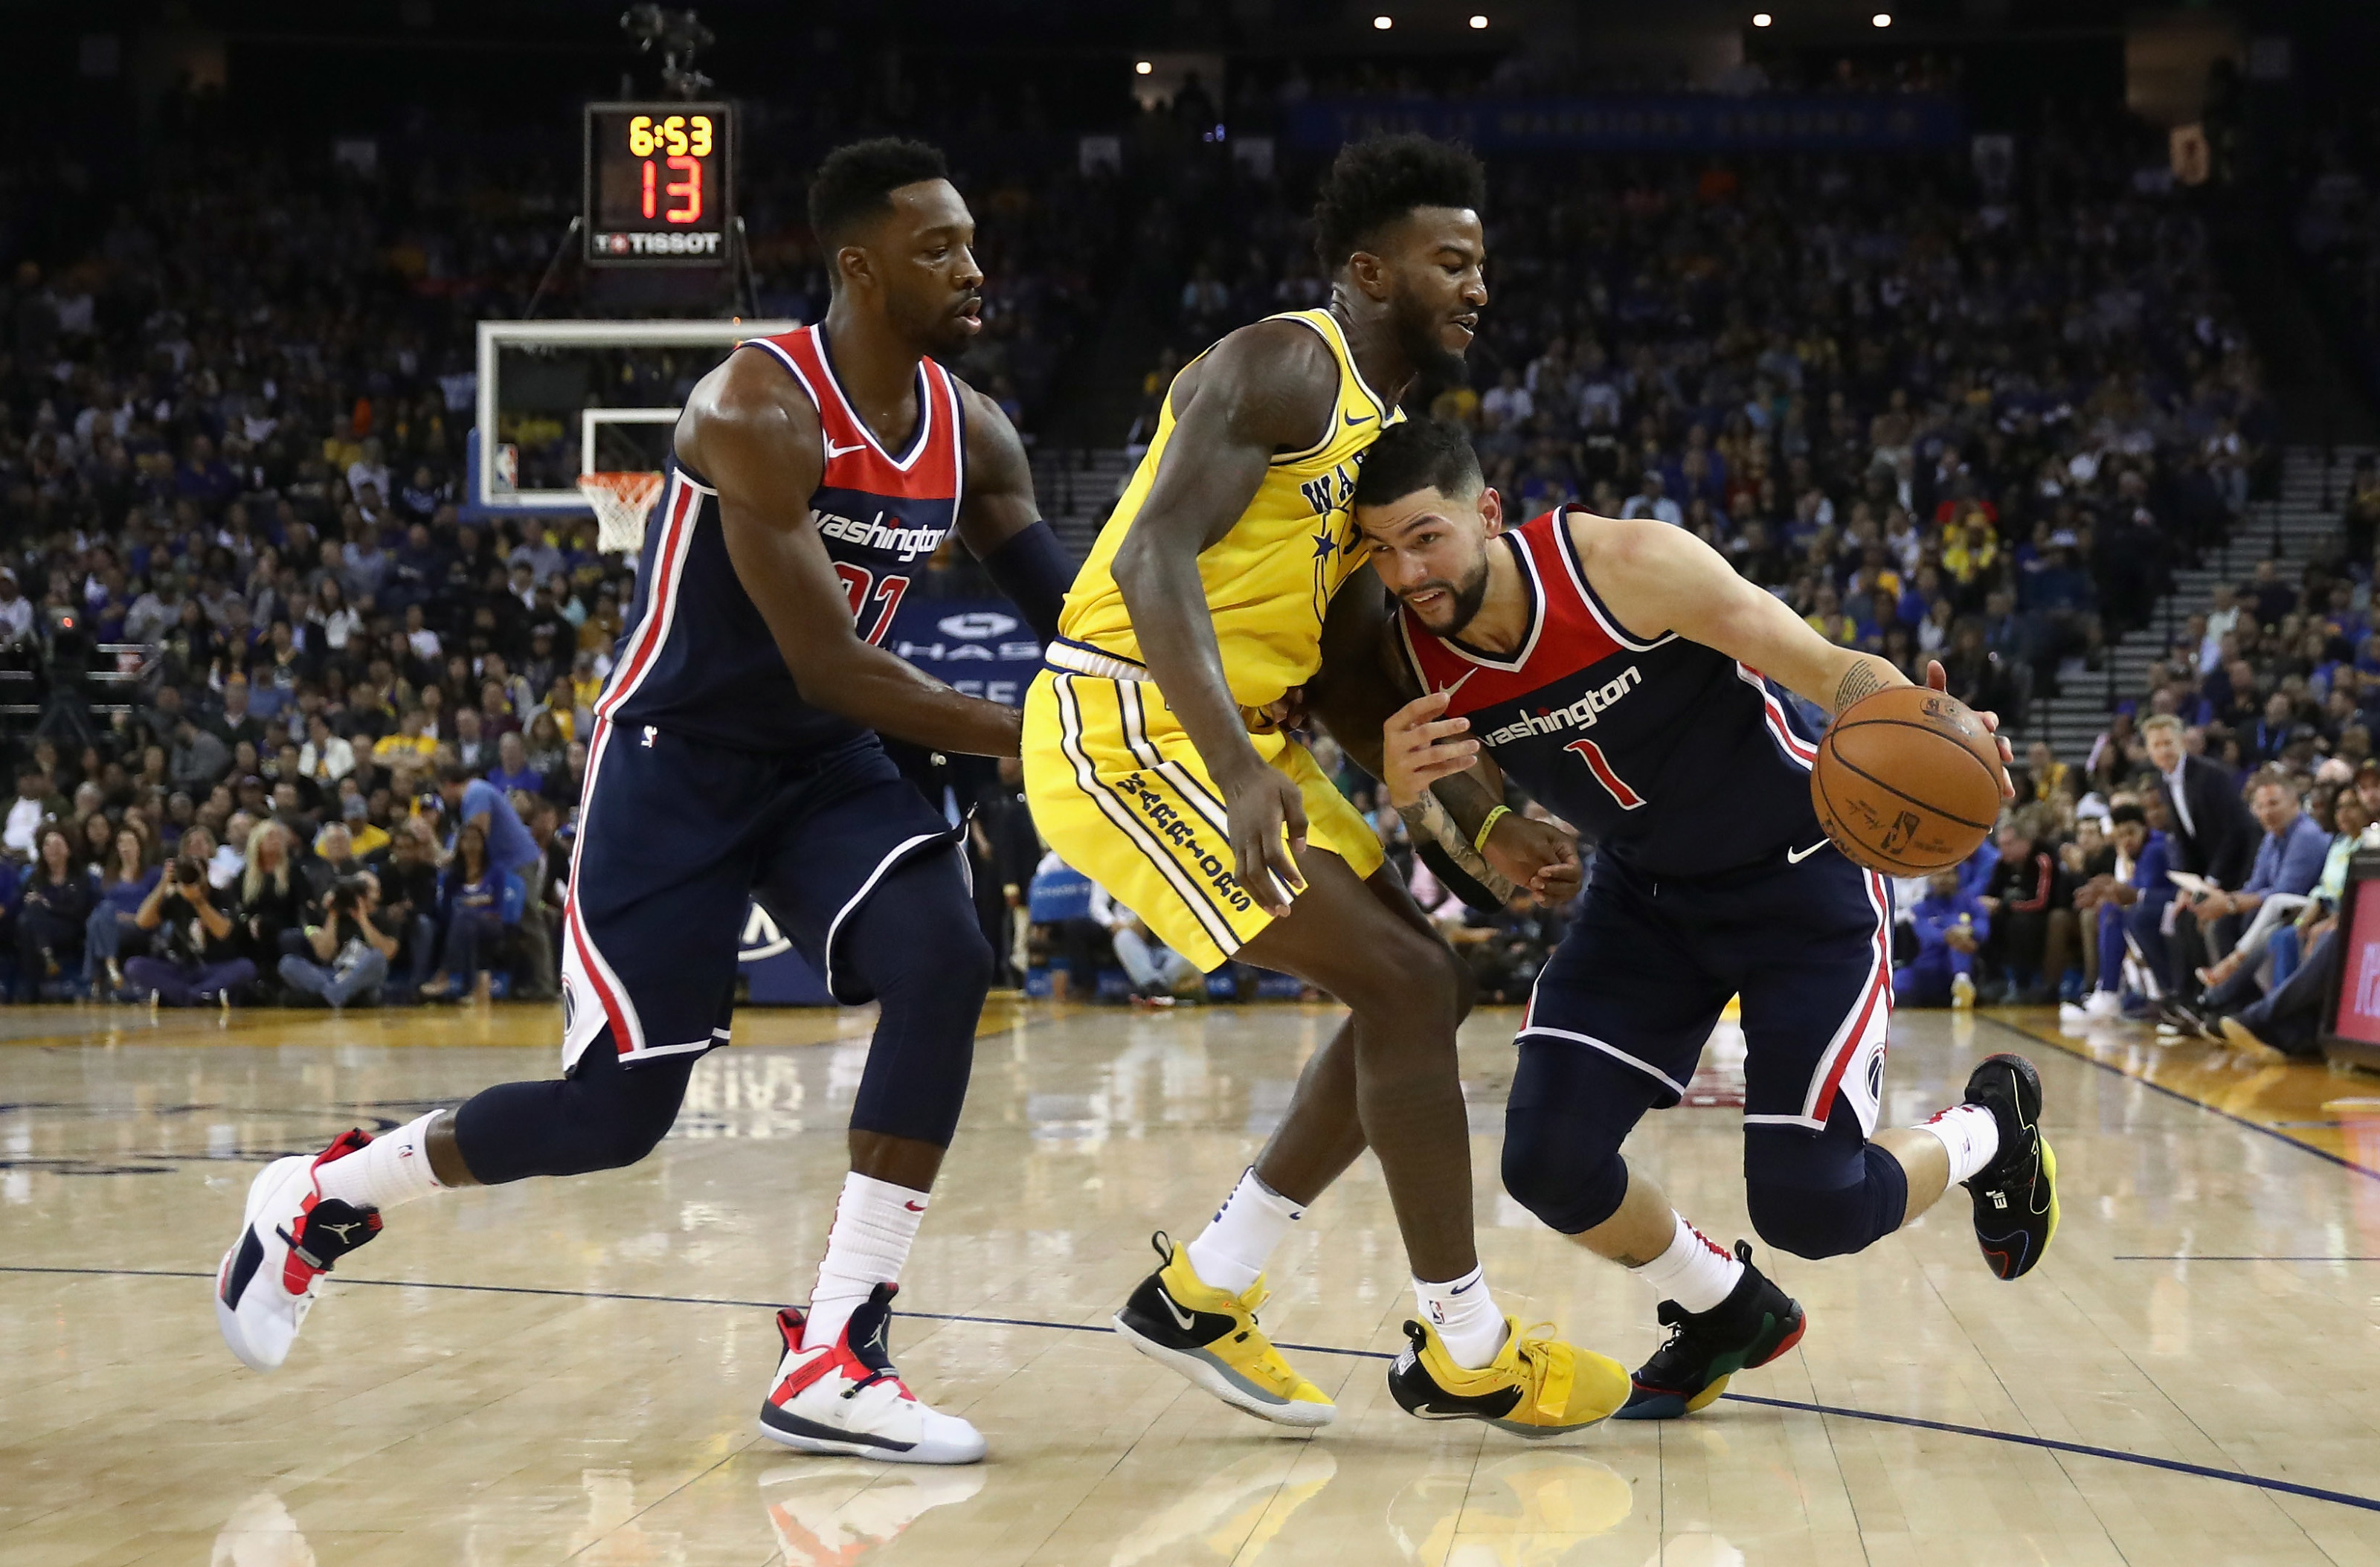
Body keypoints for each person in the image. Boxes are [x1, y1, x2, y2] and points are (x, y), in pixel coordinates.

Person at [212, 138, 1067, 1470]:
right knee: (612, 1118)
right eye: (938, 247)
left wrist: (1203, 696)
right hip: (678, 765)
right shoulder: (754, 407)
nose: (973, 268)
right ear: (858, 265)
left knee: (948, 956)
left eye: (969, 242)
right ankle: (321, 1196)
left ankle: (839, 1343)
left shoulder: (978, 430)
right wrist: (1036, 739)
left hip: (828, 764)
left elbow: (1076, 625)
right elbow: (824, 657)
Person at [1023, 135, 1621, 1436]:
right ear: (1370, 269)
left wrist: (1484, 816)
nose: (1477, 286)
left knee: (1424, 982)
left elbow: (1353, 680)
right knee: (1407, 982)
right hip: (1128, 719)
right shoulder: (1290, 362)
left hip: (1245, 726)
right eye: (1449, 261)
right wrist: (1238, 769)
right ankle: (1465, 1339)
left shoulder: (1383, 443)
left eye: (1483, 264)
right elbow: (1150, 561)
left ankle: (1207, 1289)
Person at [1339, 416, 2053, 1421]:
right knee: (1547, 1160)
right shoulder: (1410, 654)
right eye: (1381, 547)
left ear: (1487, 513)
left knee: (1815, 1206)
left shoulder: (1627, 562)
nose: (1407, 569)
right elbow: (1473, 861)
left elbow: (1825, 666)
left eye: (1426, 536)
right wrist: (1435, 804)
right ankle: (1729, 1308)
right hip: (1646, 902)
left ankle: (1989, 1129)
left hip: (1806, 881)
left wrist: (1941, 724)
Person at [2062, 801, 2174, 1023]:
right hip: (2162, 908)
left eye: (2131, 833)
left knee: (2117, 912)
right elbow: (2135, 888)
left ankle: (2112, 991)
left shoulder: (2155, 849)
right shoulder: (2142, 851)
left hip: (2175, 908)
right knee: (2110, 908)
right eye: (2121, 836)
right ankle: (2109, 990)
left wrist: (2118, 891)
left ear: (2145, 828)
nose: (2127, 841)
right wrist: (2106, 887)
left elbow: (2143, 892)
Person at [126, 851, 255, 1005]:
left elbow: (223, 933)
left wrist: (198, 901)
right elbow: (142, 922)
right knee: (134, 966)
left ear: (206, 874)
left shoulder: (222, 896)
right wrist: (163, 884)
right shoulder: (176, 899)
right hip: (181, 968)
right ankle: (198, 996)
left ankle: (190, 995)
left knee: (245, 967)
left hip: (215, 967)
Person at [279, 872, 399, 1008]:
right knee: (287, 963)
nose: (359, 894)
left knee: (377, 958)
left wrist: (362, 919)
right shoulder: (338, 916)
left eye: (365, 889)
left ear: (378, 894)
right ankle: (337, 996)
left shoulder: (386, 917)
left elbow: (388, 953)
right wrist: (333, 913)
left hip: (363, 980)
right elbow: (324, 954)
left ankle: (327, 997)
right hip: (334, 975)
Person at [16, 826, 97, 999]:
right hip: (38, 929)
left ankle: (33, 985)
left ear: (68, 849)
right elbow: (21, 904)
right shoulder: (35, 879)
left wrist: (48, 905)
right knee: (28, 918)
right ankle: (45, 955)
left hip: (69, 928)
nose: (52, 850)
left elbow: (78, 911)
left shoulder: (80, 878)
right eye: (47, 845)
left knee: (31, 919)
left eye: (57, 844)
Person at [1897, 866, 1990, 1007]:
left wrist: (1970, 931)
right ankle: (1961, 982)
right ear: (1930, 879)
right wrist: (1951, 934)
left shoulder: (1972, 904)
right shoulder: (1920, 908)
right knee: (1896, 987)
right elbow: (1925, 933)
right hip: (1927, 965)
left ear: (1958, 877)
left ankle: (1961, 981)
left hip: (1961, 962)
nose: (1943, 880)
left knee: (1959, 946)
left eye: (1949, 875)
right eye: (1938, 875)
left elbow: (1983, 928)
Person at [85, 826, 158, 993]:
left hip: (139, 924)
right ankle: (110, 968)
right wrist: (112, 917)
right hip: (111, 926)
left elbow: (158, 909)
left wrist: (130, 917)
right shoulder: (109, 876)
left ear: (140, 846)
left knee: (97, 919)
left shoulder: (152, 875)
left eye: (130, 842)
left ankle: (98, 976)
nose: (126, 847)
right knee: (99, 916)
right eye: (121, 843)